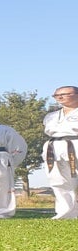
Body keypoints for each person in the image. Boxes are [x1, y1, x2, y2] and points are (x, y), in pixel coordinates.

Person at [43, 85, 78, 219]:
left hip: (75, 142)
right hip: (55, 146)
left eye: (64, 94)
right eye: (56, 95)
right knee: (58, 180)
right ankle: (65, 213)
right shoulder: (51, 116)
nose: (60, 97)